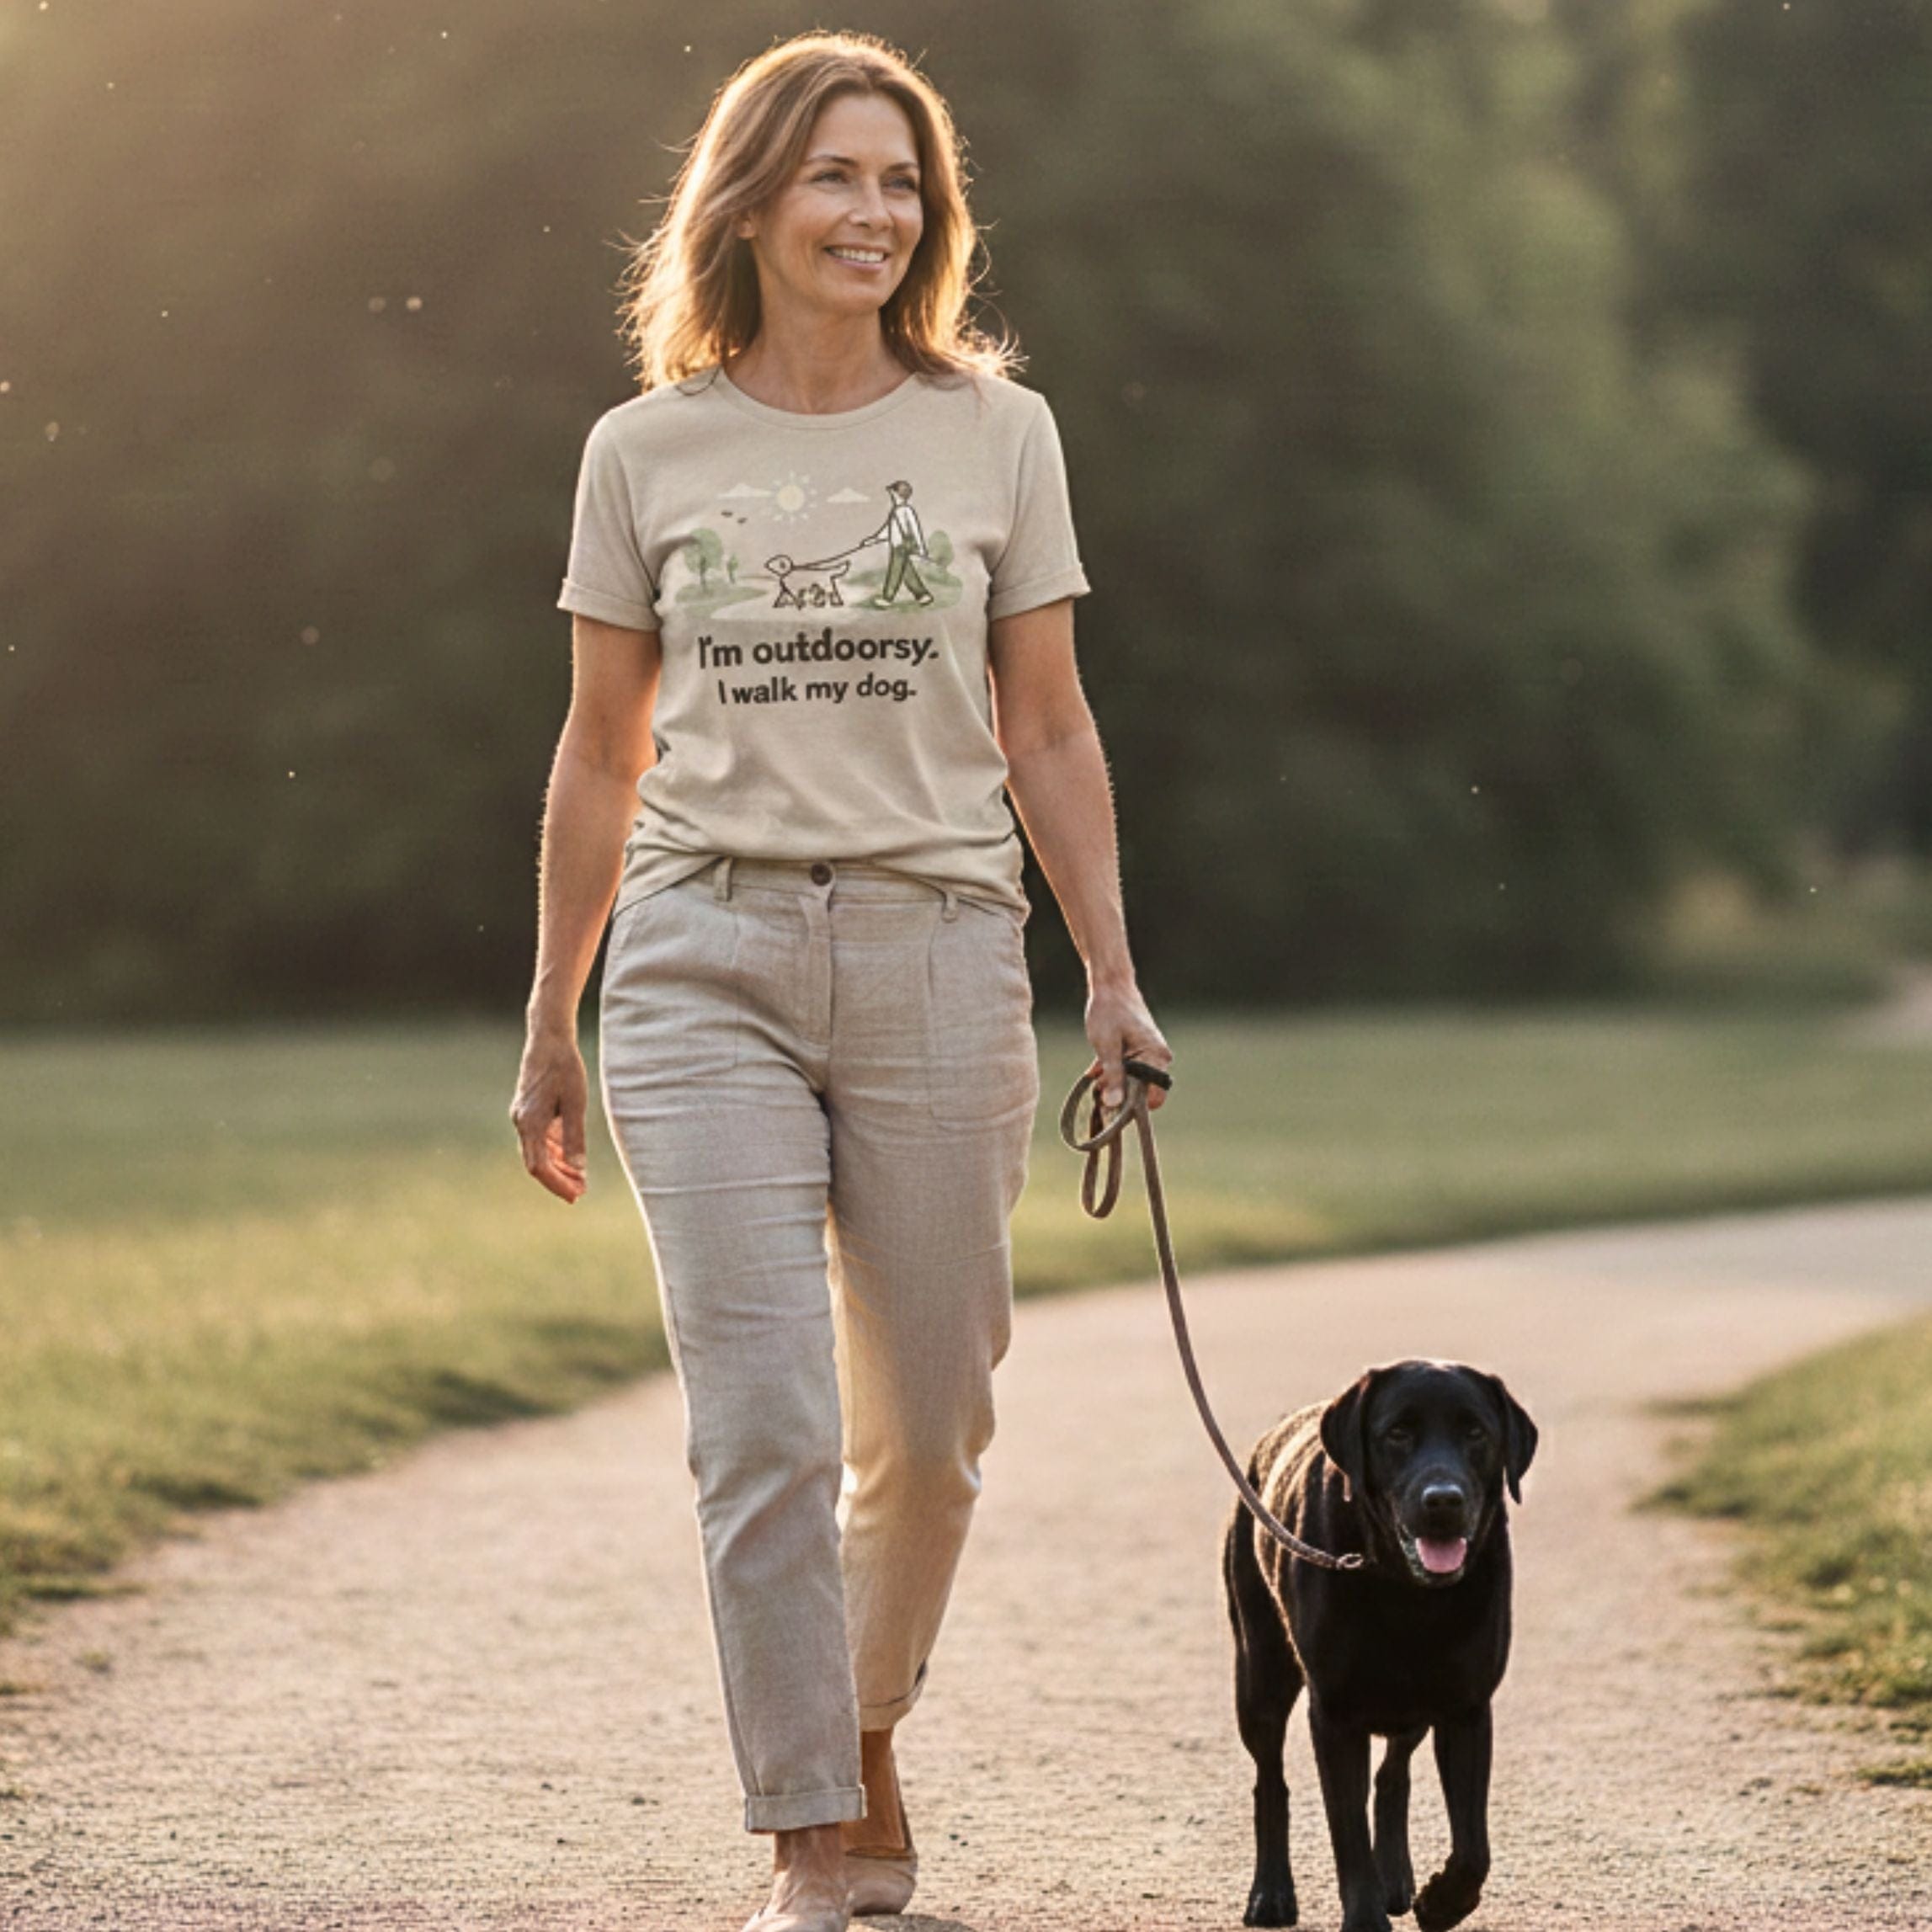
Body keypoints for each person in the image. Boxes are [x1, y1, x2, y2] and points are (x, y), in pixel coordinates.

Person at [509, 31, 1171, 1932]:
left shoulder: (994, 437)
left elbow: (1044, 725)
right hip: (699, 953)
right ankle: (814, 1824)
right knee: (767, 1421)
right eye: (834, 176)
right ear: (750, 201)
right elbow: (595, 752)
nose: (873, 211)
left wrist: (1110, 970)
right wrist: (551, 1008)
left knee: (932, 1429)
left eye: (902, 183)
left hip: (937, 946)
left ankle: (857, 1721)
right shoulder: (644, 451)